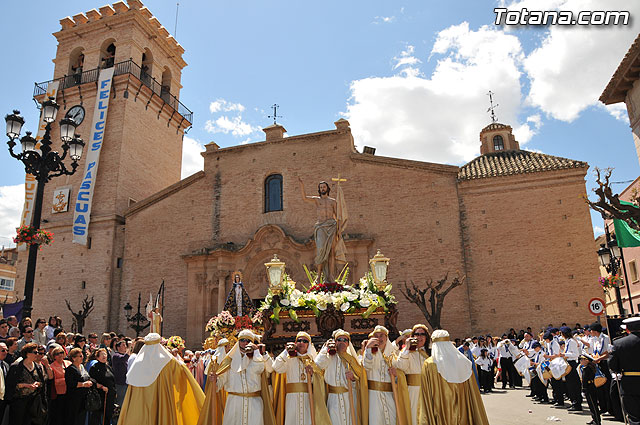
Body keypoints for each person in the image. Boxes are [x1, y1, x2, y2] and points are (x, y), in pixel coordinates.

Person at [118, 333, 204, 425]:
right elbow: (181, 372)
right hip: (161, 402)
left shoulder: (137, 364)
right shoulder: (169, 361)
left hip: (139, 407)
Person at [201, 329, 275, 425]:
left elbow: (261, 369)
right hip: (234, 403)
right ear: (238, 342)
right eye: (242, 340)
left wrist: (256, 352)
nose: (245, 343)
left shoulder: (258, 358)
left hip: (254, 403)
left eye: (248, 341)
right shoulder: (229, 360)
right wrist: (214, 381)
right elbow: (220, 383)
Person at [417, 329, 489, 425]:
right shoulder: (464, 362)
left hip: (442, 411)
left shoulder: (430, 364)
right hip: (463, 410)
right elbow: (473, 395)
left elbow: (426, 394)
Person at [273, 331, 329, 425]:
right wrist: (286, 351)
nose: (301, 343)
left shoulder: (312, 360)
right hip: (292, 399)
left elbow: (320, 378)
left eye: (305, 341)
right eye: (299, 340)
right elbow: (276, 367)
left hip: (308, 397)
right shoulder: (289, 358)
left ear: (309, 345)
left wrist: (312, 373)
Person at [298, 177, 347, 282]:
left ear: (327, 188)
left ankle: (331, 276)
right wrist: (302, 185)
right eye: (321, 187)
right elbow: (304, 198)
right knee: (320, 250)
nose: (322, 188)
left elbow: (337, 217)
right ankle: (319, 275)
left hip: (331, 226)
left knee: (331, 252)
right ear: (319, 189)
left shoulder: (333, 202)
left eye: (324, 187)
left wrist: (338, 230)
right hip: (320, 226)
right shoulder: (317, 200)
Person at [363, 325, 409, 425]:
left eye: (381, 336)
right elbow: (366, 366)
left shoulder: (393, 355)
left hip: (390, 395)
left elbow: (402, 373)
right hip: (374, 397)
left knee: (391, 420)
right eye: (376, 336)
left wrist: (397, 374)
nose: (379, 339)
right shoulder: (369, 353)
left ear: (386, 338)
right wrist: (368, 348)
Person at [315, 329, 362, 425]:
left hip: (349, 398)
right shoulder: (328, 356)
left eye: (345, 340)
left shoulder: (351, 359)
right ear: (335, 342)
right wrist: (325, 349)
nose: (342, 342)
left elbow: (360, 377)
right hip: (333, 398)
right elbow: (317, 366)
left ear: (348, 344)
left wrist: (353, 378)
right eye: (339, 339)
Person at [394, 324, 431, 425]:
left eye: (422, 334)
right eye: (416, 334)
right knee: (414, 416)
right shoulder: (407, 352)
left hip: (428, 390)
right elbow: (401, 366)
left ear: (426, 337)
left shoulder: (430, 353)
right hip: (412, 391)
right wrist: (406, 348)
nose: (419, 337)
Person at [5, 343, 47, 425]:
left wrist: (37, 384)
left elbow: (42, 383)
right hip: (19, 402)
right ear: (27, 354)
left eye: (38, 352)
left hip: (34, 402)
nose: (37, 354)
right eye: (35, 352)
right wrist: (25, 385)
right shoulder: (16, 367)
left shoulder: (37, 367)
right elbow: (10, 385)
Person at [608, 316, 640, 425]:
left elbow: (613, 366)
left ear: (627, 329)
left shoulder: (619, 343)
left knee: (634, 415)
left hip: (630, 383)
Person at [66, 347, 95, 425]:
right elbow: (70, 383)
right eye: (80, 356)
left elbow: (87, 377)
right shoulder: (70, 369)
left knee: (82, 418)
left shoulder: (82, 367)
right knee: (74, 418)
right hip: (74, 398)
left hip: (84, 397)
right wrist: (83, 384)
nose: (82, 357)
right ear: (73, 358)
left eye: (82, 355)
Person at [557, 326, 583, 411]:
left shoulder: (571, 341)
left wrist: (565, 355)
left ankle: (577, 403)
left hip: (572, 363)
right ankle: (574, 402)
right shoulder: (567, 341)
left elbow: (575, 354)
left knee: (573, 385)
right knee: (569, 385)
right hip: (568, 363)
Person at [88, 348, 115, 425]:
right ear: (97, 357)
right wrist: (102, 387)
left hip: (109, 395)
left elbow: (113, 379)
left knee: (108, 414)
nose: (104, 356)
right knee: (97, 415)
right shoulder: (94, 368)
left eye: (105, 354)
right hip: (99, 395)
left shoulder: (108, 367)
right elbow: (92, 380)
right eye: (102, 354)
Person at [49, 345, 71, 425]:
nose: (60, 355)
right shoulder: (52, 366)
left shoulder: (68, 363)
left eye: (62, 352)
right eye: (57, 354)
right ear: (54, 356)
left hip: (69, 393)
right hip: (59, 394)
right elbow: (54, 381)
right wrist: (67, 380)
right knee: (59, 416)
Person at [579, 353, 601, 425]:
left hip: (590, 387)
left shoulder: (588, 368)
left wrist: (583, 389)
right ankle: (594, 419)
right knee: (591, 405)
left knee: (593, 405)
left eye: (582, 359)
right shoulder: (586, 368)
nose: (580, 361)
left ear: (587, 360)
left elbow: (585, 380)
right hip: (590, 387)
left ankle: (597, 421)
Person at [112, 339, 129, 408]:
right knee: (121, 402)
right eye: (123, 345)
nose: (125, 347)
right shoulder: (116, 356)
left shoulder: (126, 356)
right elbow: (123, 358)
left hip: (126, 382)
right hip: (120, 383)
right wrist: (130, 347)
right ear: (118, 347)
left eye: (125, 345)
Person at [0, 342, 9, 422]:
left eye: (7, 350)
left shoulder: (5, 365)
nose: (5, 352)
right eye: (3, 350)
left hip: (3, 399)